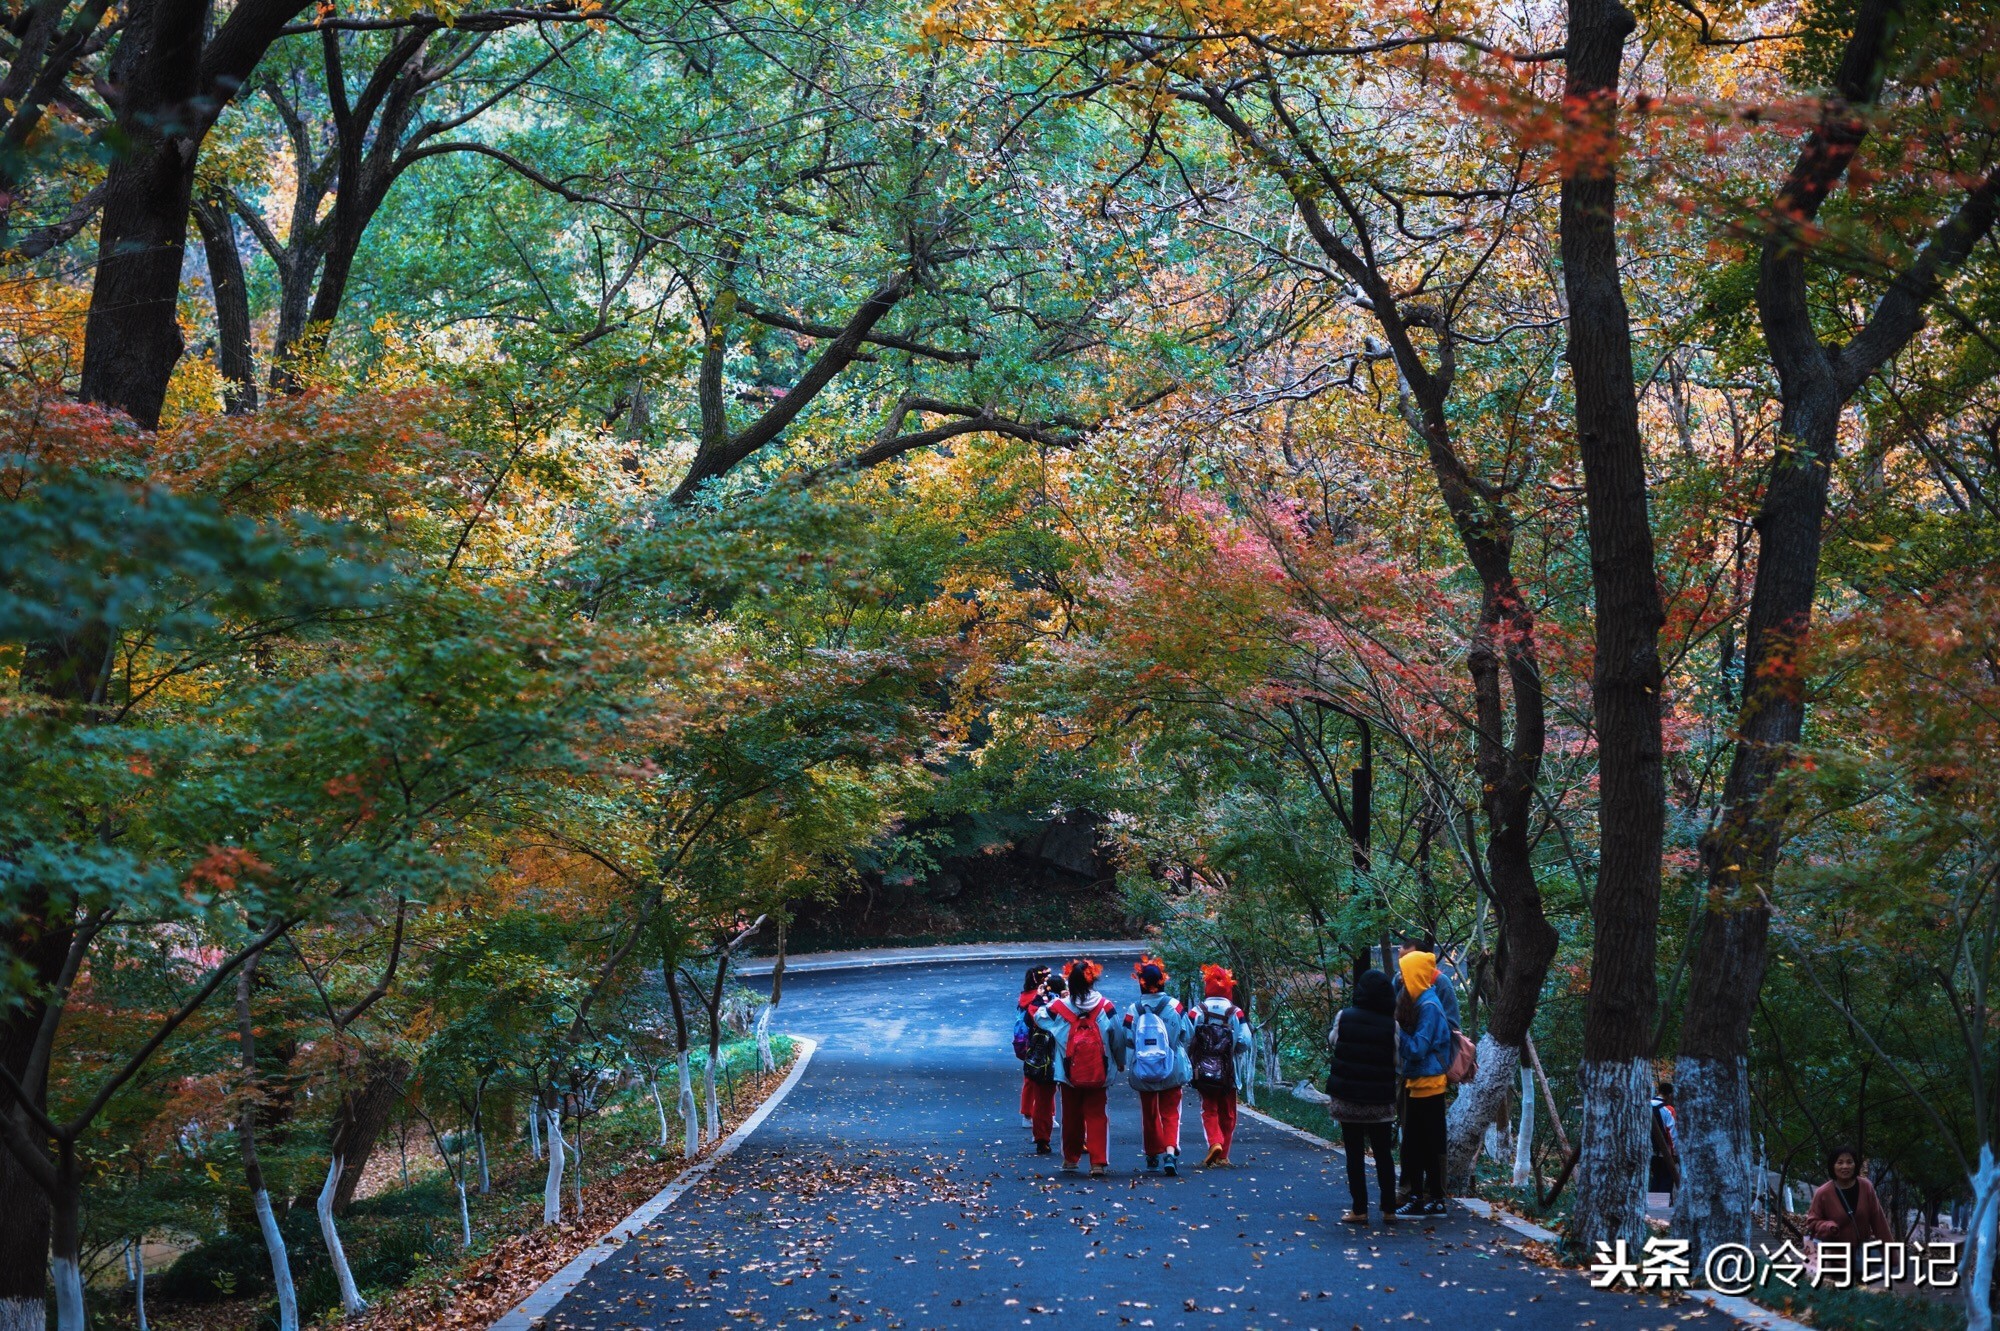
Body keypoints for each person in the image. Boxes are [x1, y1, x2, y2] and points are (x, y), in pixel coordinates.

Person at [1037, 959, 1125, 1176]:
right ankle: (1097, 1162)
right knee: (1097, 1114)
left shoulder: (1059, 1008)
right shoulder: (1106, 1006)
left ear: (1070, 983)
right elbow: (1118, 1036)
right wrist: (1120, 1060)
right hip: (1099, 1070)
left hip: (1068, 1072)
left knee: (1071, 1115)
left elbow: (1039, 1017)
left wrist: (1057, 1032)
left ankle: (1070, 1159)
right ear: (1093, 980)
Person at [1325, 968, 1398, 1224]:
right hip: (1380, 1101)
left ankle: (1359, 1209)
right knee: (1383, 1155)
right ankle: (1389, 1208)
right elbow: (1397, 1059)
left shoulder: (1345, 1016)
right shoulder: (1392, 1025)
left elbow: (1334, 1041)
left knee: (1354, 1156)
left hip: (1348, 1100)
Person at [1395, 950, 1452, 1216]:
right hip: (1417, 1081)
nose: (1401, 978)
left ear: (1415, 974)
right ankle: (1417, 1197)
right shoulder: (1417, 1001)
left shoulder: (1429, 1007)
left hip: (1430, 1082)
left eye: (1405, 973)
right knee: (1414, 1143)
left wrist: (1397, 1034)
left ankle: (1436, 1198)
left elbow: (1417, 1047)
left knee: (1430, 1142)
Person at [1122, 955, 1191, 1175]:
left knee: (1149, 1113)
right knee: (1171, 1112)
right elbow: (1187, 1033)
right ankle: (1170, 1152)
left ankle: (1152, 1154)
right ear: (1163, 980)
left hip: (1144, 1070)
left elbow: (1127, 1038)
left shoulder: (1134, 1009)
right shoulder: (1176, 1006)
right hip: (1172, 1066)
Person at [1190, 964, 1253, 1167]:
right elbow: (1245, 1040)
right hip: (1228, 1070)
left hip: (1204, 1069)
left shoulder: (1198, 1010)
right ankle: (1224, 1155)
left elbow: (1185, 1035)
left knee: (1209, 1108)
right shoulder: (1235, 1012)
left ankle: (1214, 1141)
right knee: (1228, 1111)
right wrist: (1233, 1051)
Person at [1807, 1146, 1894, 1245]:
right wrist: (1828, 1227)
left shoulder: (1866, 1187)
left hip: (1861, 1254)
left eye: (1849, 1162)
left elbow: (1879, 1223)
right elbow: (1812, 1223)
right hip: (1834, 1255)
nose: (1845, 1166)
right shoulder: (1823, 1193)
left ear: (1855, 1165)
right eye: (1840, 1163)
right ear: (1833, 1166)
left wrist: (1892, 1255)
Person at [1015, 966, 1058, 1153]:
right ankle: (1051, 1118)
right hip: (1051, 1050)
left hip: (1034, 1050)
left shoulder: (1026, 998)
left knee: (1033, 1083)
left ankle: (1028, 1116)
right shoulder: (1049, 1002)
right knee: (1049, 1089)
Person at [1648, 1082, 1680, 1200]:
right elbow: (1672, 1134)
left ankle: (1651, 1209)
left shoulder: (1645, 1104)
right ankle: (1661, 1211)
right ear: (1669, 1094)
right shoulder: (1668, 1109)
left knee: (1654, 1179)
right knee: (1665, 1181)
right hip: (1664, 1153)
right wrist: (1674, 1154)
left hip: (1648, 1152)